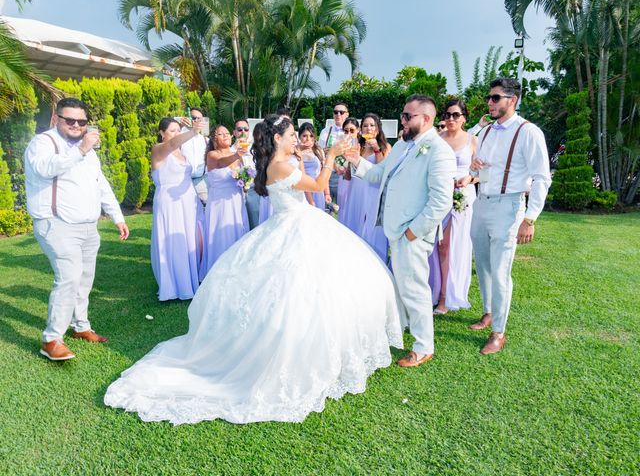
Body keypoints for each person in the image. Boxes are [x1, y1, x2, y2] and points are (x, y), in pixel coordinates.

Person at [104, 114, 403, 425]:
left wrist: (303, 155)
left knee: (317, 289)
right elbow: (318, 185)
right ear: (277, 138)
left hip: (301, 222)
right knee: (292, 291)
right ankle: (291, 353)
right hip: (294, 226)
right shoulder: (278, 165)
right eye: (289, 135)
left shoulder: (282, 160)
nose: (293, 140)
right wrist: (329, 156)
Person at [345, 94, 456, 368]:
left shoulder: (439, 151)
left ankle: (423, 346)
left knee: (415, 288)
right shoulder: (401, 147)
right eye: (403, 116)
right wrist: (355, 160)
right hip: (394, 229)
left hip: (413, 232)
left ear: (426, 119)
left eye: (408, 116)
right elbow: (378, 174)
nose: (403, 121)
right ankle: (405, 327)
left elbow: (441, 200)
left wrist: (413, 232)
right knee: (403, 285)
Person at [24, 97, 130, 361]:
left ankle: (80, 326)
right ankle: (51, 339)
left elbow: (100, 184)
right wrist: (81, 149)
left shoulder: (87, 150)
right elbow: (45, 169)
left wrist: (117, 216)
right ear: (56, 119)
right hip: (56, 223)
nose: (76, 125)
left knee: (84, 278)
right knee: (69, 277)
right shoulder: (42, 143)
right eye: (69, 120)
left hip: (87, 226)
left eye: (81, 121)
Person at [468, 78, 551, 355]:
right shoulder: (487, 132)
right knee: (483, 264)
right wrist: (475, 167)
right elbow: (478, 169)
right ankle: (488, 312)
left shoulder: (529, 132)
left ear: (512, 100)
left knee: (501, 271)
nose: (489, 103)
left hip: (509, 206)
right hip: (482, 202)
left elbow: (541, 177)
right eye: (489, 98)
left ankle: (498, 333)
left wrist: (530, 218)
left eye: (495, 98)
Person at [429, 99, 478, 315]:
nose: (450, 119)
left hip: (461, 197)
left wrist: (469, 178)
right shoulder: (436, 139)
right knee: (436, 246)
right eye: (448, 114)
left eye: (455, 115)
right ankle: (434, 289)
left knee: (449, 246)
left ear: (464, 118)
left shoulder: (473, 141)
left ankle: (445, 298)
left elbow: (482, 173)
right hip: (439, 195)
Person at [150, 117, 205, 301]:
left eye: (177, 129)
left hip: (188, 201)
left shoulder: (182, 152)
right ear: (161, 133)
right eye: (172, 130)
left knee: (189, 240)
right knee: (173, 242)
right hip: (169, 203)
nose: (175, 134)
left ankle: (190, 280)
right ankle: (173, 286)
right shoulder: (158, 150)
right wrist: (191, 132)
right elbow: (172, 143)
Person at [200, 125, 249, 278]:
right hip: (220, 204)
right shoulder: (212, 155)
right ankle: (219, 274)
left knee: (238, 233)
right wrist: (238, 154)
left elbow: (243, 176)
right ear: (214, 140)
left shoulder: (237, 155)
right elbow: (222, 162)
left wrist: (246, 181)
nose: (226, 136)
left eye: (227, 133)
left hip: (237, 201)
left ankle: (238, 271)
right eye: (221, 134)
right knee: (222, 236)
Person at [358, 113, 391, 262]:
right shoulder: (359, 147)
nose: (368, 128)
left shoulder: (386, 146)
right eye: (365, 125)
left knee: (375, 228)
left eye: (372, 125)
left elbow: (383, 170)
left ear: (377, 129)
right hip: (361, 189)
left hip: (377, 191)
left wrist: (377, 148)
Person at [231, 118, 260, 229]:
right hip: (235, 194)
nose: (243, 132)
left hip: (254, 192)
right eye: (239, 129)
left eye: (246, 129)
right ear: (234, 132)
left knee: (255, 224)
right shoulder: (229, 151)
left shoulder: (255, 149)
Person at [319, 102, 349, 202]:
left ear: (347, 114)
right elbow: (319, 152)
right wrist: (324, 151)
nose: (338, 115)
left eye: (341, 112)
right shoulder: (325, 131)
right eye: (336, 112)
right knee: (327, 207)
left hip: (343, 173)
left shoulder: (351, 132)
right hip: (328, 172)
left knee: (343, 206)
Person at [298, 122, 330, 210]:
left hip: (317, 189)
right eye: (304, 136)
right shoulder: (295, 152)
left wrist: (327, 193)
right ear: (299, 137)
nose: (308, 139)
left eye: (311, 136)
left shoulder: (318, 150)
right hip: (301, 190)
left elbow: (324, 173)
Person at [181, 108, 208, 204]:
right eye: (193, 117)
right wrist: (180, 125)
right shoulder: (180, 136)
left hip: (201, 181)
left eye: (199, 119)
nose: (196, 120)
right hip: (183, 181)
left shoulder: (205, 139)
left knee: (205, 208)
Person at [336, 117, 360, 230]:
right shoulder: (339, 146)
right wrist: (339, 168)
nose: (349, 133)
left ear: (358, 131)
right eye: (346, 131)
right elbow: (336, 165)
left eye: (352, 130)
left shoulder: (361, 146)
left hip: (358, 183)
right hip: (344, 182)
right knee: (344, 209)